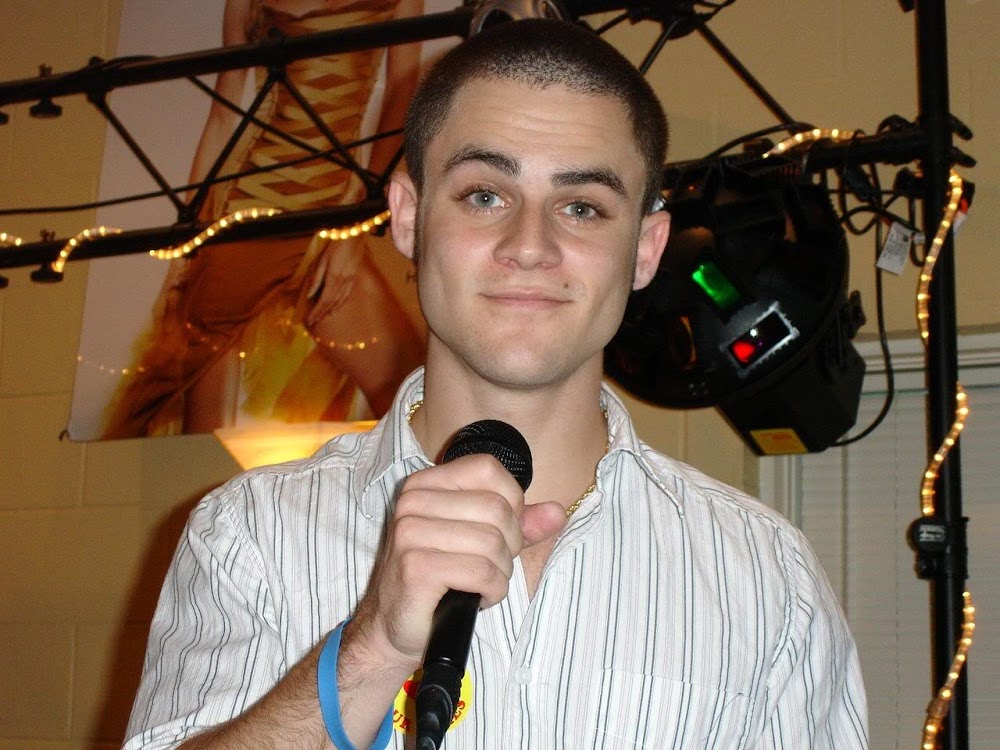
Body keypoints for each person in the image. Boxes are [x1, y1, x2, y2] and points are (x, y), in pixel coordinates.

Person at [123, 18, 869, 749]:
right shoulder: (249, 535)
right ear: (408, 217)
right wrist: (372, 649)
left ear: (645, 250)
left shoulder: (765, 575)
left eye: (582, 207)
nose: (529, 245)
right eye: (485, 195)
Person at [102, 0, 425, 438]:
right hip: (248, 216)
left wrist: (355, 229)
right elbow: (223, 118)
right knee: (203, 432)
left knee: (414, 393)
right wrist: (190, 236)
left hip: (334, 215)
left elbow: (402, 98)